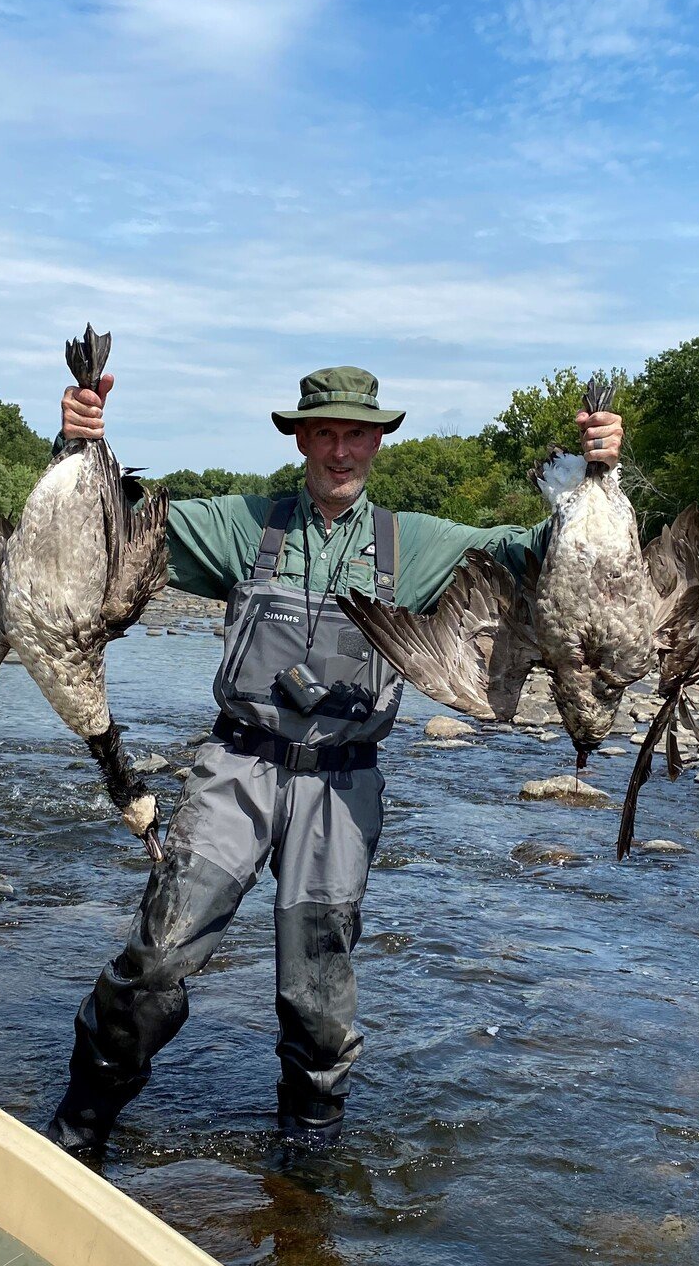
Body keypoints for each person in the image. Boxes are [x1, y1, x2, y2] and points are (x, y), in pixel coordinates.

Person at [45, 363, 624, 1153]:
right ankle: (79, 1127)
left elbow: (540, 558)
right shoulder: (243, 525)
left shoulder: (416, 547)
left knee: (319, 998)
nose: (340, 450)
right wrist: (77, 442)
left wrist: (596, 473)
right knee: (157, 958)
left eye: (356, 433)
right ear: (300, 440)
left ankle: (306, 1167)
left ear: (380, 440)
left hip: (343, 787)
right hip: (237, 772)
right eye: (324, 433)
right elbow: (108, 531)